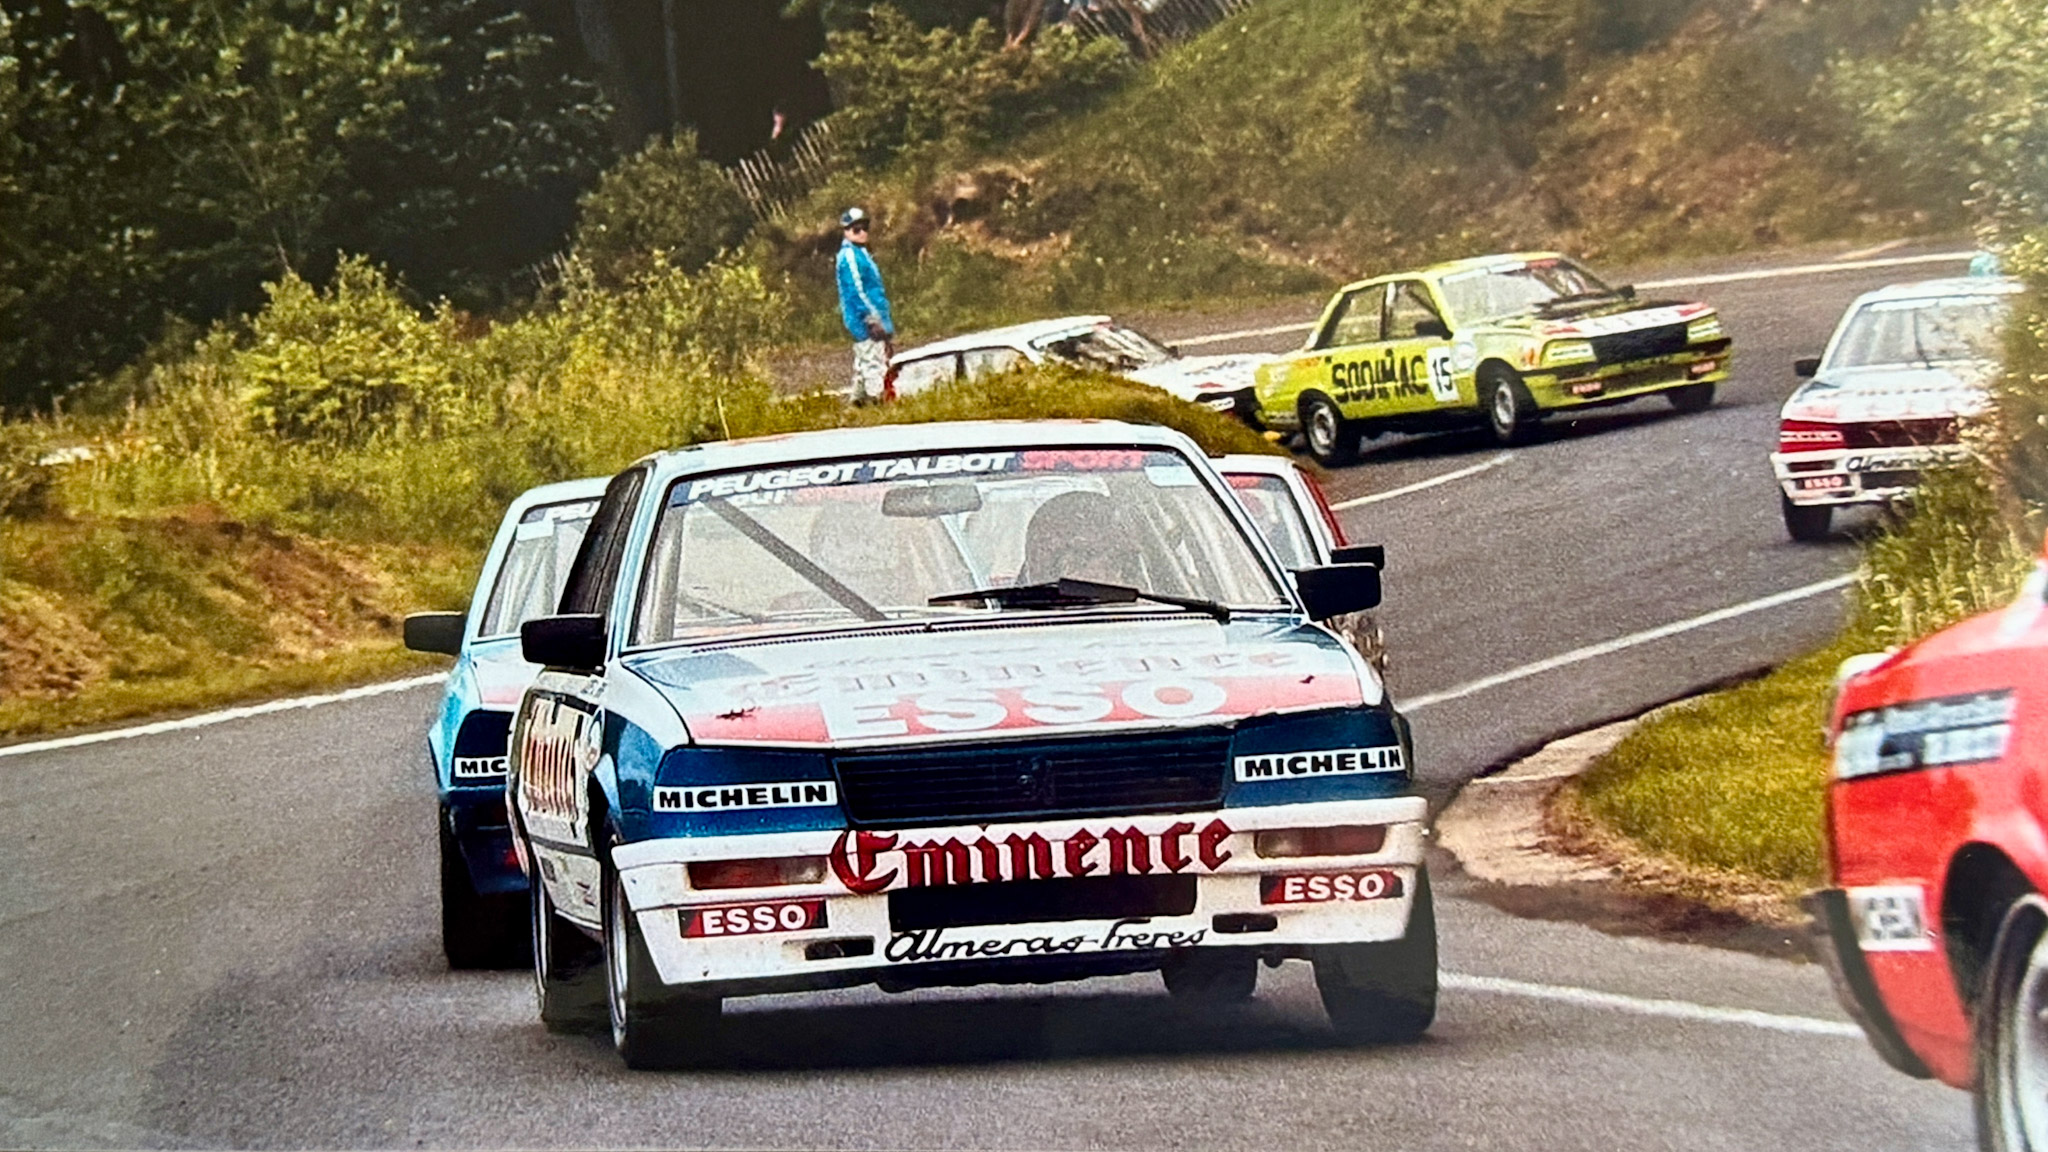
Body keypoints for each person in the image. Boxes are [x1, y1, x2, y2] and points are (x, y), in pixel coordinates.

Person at [835, 207, 895, 404]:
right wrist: (870, 318)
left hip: (874, 316)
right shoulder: (849, 256)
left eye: (864, 227)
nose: (862, 232)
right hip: (865, 319)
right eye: (856, 229)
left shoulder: (861, 253)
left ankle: (857, 404)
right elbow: (855, 291)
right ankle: (876, 400)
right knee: (873, 363)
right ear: (846, 231)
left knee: (864, 364)